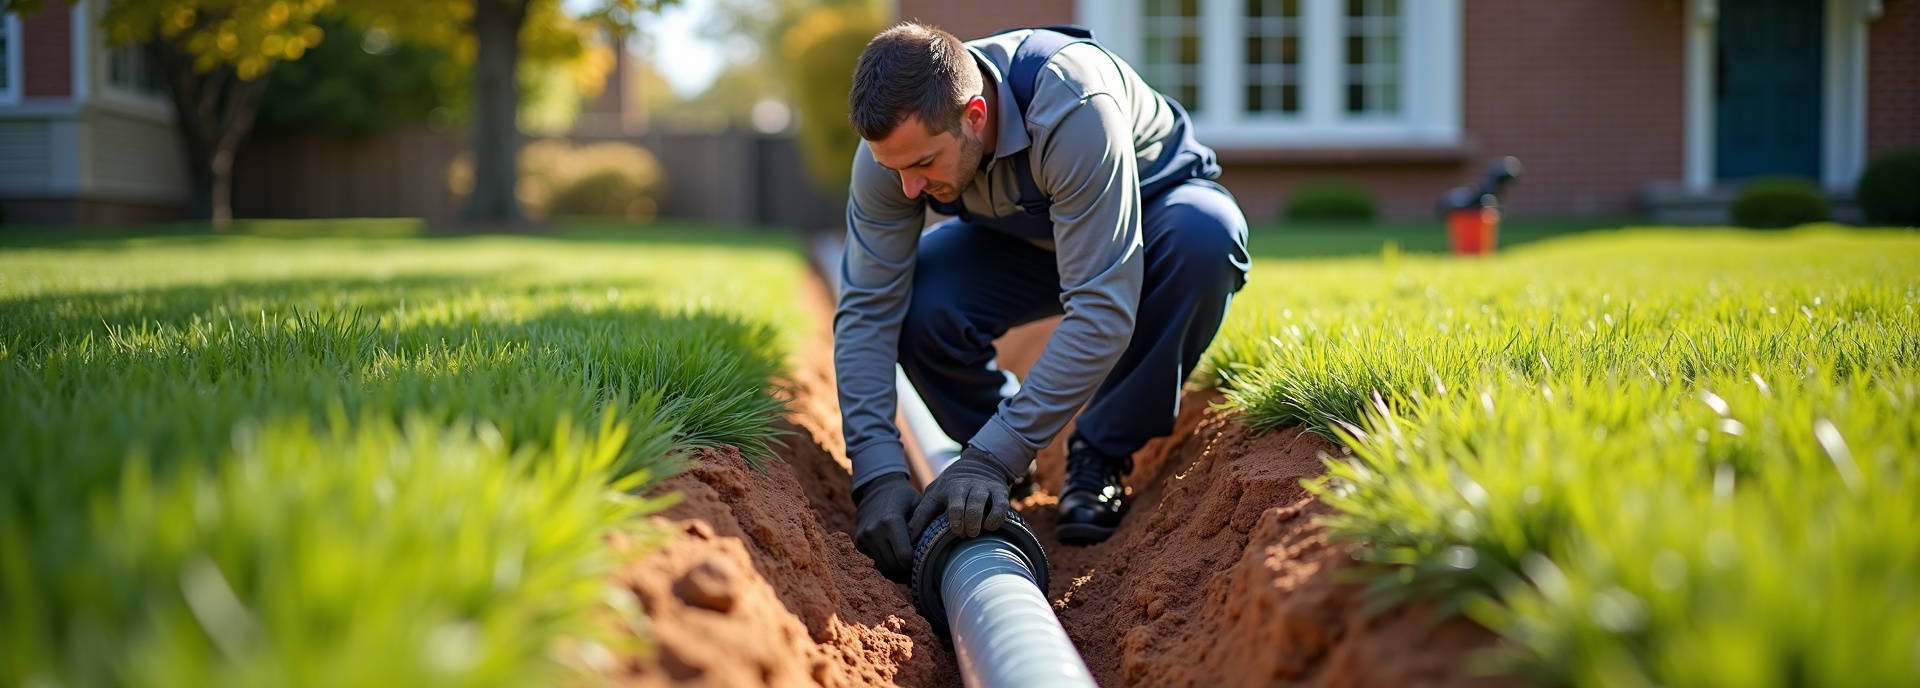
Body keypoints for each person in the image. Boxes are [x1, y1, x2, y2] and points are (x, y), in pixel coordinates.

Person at [837, 21, 1250, 580]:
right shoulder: (896, 154)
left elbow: (1102, 308)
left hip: (1149, 222)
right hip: (1027, 240)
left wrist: (990, 458)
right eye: (894, 169)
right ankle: (996, 450)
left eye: (923, 166)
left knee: (1207, 237)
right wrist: (879, 474)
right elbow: (867, 307)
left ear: (975, 116)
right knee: (921, 299)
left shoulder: (1071, 103)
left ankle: (1097, 454)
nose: (908, 188)